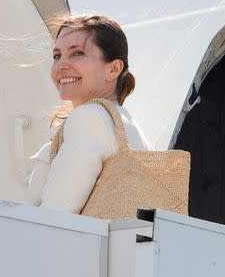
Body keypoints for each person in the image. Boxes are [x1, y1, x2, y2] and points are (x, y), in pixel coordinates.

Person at [26, 14, 152, 214]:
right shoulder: (126, 123)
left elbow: (54, 215)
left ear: (113, 69)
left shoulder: (89, 118)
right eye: (57, 56)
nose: (61, 65)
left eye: (77, 53)